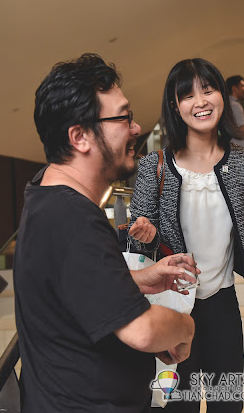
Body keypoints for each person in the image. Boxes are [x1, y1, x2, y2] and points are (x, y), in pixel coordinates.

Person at [14, 53, 196, 413]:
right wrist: (186, 327)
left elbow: (71, 280)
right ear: (80, 136)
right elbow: (142, 330)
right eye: (123, 117)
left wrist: (138, 279)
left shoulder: (45, 193)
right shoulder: (73, 218)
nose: (135, 128)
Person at [128, 58, 244, 413]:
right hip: (173, 305)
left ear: (222, 96)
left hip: (223, 302)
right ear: (176, 107)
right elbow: (138, 248)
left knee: (228, 403)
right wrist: (145, 234)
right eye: (188, 95)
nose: (201, 101)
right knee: (180, 405)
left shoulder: (243, 163)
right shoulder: (154, 166)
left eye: (208, 90)